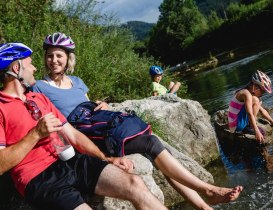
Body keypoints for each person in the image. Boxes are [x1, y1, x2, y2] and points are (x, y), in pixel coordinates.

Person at [32, 32, 243, 210]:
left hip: (100, 127)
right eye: (50, 56)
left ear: (68, 58)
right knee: (151, 143)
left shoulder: (77, 81)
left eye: (59, 55)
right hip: (84, 137)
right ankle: (207, 191)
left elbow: (89, 106)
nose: (54, 60)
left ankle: (204, 205)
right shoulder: (40, 87)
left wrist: (103, 106)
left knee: (155, 149)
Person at [0, 42, 168, 210]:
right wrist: (35, 134)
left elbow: (73, 135)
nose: (35, 68)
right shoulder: (1, 107)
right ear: (16, 68)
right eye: (30, 64)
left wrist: (104, 158)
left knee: (134, 183)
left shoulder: (38, 98)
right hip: (38, 177)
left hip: (71, 161)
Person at [228, 70, 273, 143]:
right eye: (263, 91)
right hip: (236, 126)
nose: (262, 94)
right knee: (256, 100)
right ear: (255, 87)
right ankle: (250, 126)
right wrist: (256, 131)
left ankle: (250, 125)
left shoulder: (248, 94)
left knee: (257, 101)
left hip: (237, 124)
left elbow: (262, 110)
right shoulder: (246, 94)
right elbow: (249, 113)